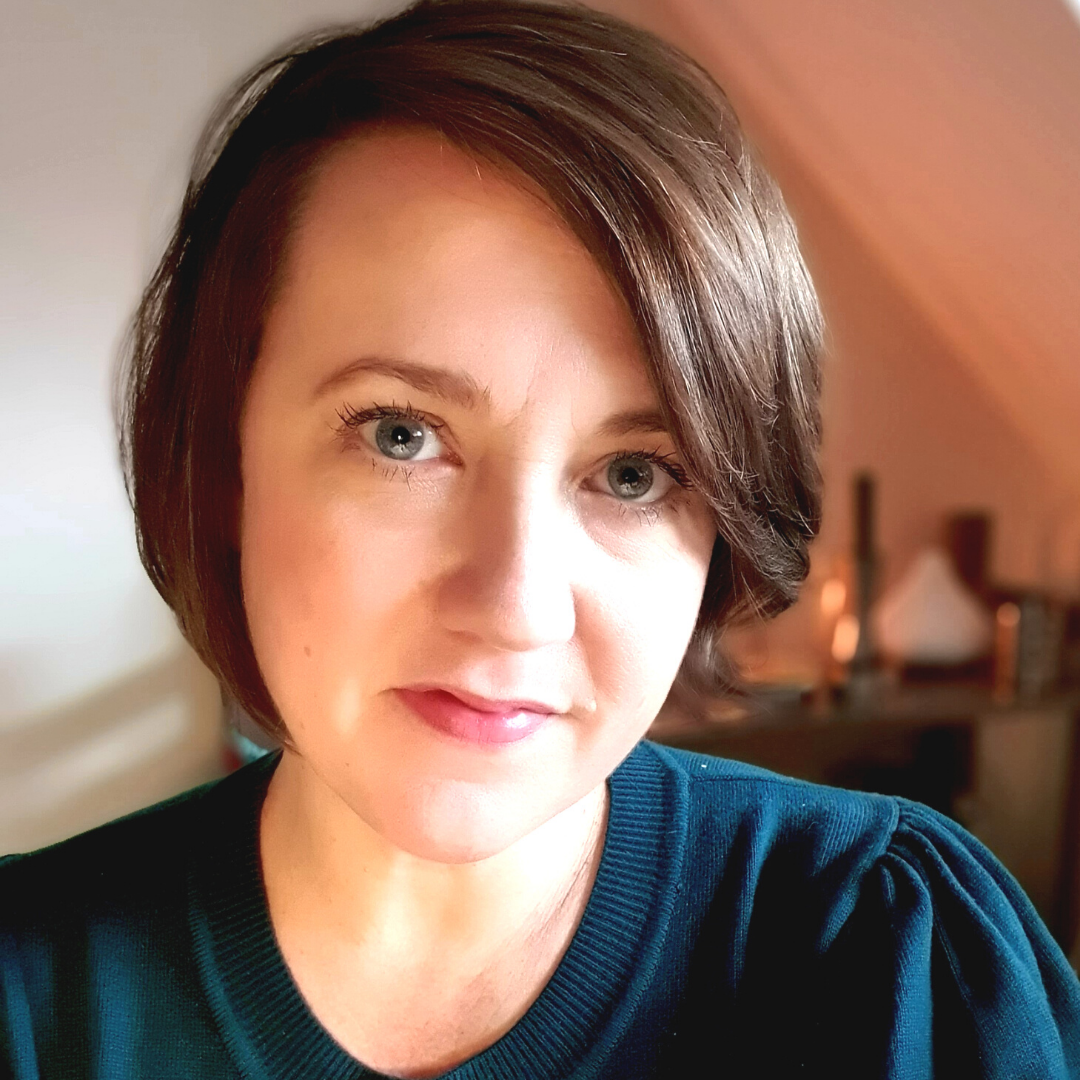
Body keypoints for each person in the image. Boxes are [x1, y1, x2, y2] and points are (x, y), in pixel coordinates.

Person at [2, 0, 1078, 1076]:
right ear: (222, 463)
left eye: (634, 474)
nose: (516, 607)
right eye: (401, 435)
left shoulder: (881, 953)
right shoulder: (30, 996)